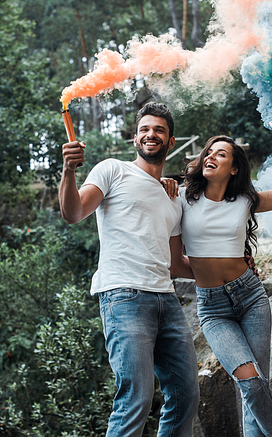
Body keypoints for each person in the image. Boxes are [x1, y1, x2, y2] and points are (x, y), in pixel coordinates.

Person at [59, 102, 199, 437]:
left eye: (159, 130)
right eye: (145, 129)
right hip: (124, 296)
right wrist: (68, 172)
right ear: (135, 139)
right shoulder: (112, 170)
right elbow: (73, 212)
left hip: (167, 299)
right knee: (136, 396)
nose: (151, 134)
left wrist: (232, 268)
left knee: (186, 396)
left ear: (170, 139)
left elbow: (177, 263)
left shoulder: (174, 197)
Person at [169, 127, 272, 437]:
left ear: (235, 168)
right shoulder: (182, 200)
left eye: (221, 153)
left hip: (251, 298)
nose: (211, 155)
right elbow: (175, 264)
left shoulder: (245, 199)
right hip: (213, 309)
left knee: (257, 389)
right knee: (250, 382)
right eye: (209, 151)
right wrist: (207, 275)